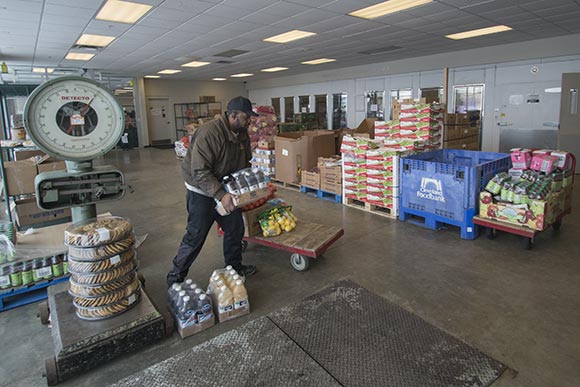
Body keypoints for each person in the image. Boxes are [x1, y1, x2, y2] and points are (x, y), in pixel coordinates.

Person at [167, 96, 258, 286]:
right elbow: (199, 171)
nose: (250, 120)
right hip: (201, 188)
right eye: (246, 116)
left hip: (224, 186)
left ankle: (234, 268)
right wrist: (220, 195)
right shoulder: (209, 133)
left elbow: (244, 162)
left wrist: (247, 184)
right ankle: (176, 276)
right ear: (232, 115)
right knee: (196, 234)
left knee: (235, 227)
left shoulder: (242, 133)